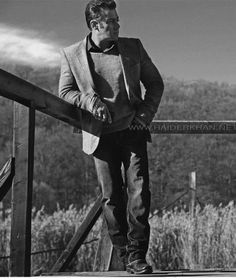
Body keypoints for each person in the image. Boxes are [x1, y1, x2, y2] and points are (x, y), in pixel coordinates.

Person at [59, 0, 164, 274]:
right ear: (95, 25)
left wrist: (144, 116)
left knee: (140, 194)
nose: (118, 25)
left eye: (118, 20)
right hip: (99, 135)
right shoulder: (71, 54)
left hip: (133, 131)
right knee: (111, 198)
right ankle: (124, 255)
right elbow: (65, 92)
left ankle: (138, 256)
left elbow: (155, 83)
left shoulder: (134, 47)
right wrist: (87, 100)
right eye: (112, 21)